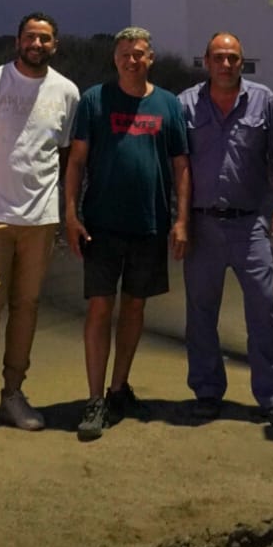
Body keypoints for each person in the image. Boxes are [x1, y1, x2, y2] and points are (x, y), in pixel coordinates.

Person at [0, 14, 80, 441]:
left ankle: (13, 394)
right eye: (30, 37)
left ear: (54, 44)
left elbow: (62, 156)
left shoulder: (66, 92)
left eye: (44, 38)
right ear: (17, 41)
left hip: (38, 219)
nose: (37, 43)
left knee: (27, 305)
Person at [64, 27, 190, 441]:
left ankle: (119, 390)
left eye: (138, 54)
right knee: (100, 310)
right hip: (101, 225)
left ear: (150, 57)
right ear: (114, 59)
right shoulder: (95, 100)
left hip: (149, 225)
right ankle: (94, 398)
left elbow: (181, 167)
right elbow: (77, 162)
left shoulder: (168, 105)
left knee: (134, 310)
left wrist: (180, 219)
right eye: (124, 55)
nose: (131, 61)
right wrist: (71, 213)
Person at [178, 32, 273, 428]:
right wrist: (178, 221)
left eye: (233, 58)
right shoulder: (185, 104)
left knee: (264, 310)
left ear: (241, 62)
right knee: (200, 314)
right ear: (205, 61)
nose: (226, 64)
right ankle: (207, 391)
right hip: (202, 226)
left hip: (251, 224)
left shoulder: (263, 99)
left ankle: (272, 394)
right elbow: (177, 167)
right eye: (219, 57)